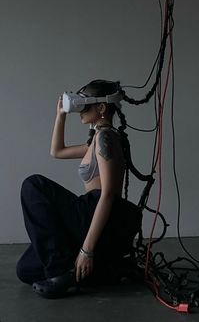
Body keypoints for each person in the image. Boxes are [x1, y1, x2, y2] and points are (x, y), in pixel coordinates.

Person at [16, 79, 142, 298]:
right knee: (26, 269)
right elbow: (57, 151)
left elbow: (109, 195)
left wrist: (87, 251)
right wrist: (61, 114)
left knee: (33, 185)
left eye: (84, 105)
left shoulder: (106, 138)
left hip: (98, 211)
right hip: (87, 214)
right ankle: (106, 270)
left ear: (101, 108)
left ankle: (63, 271)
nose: (79, 111)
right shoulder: (95, 140)